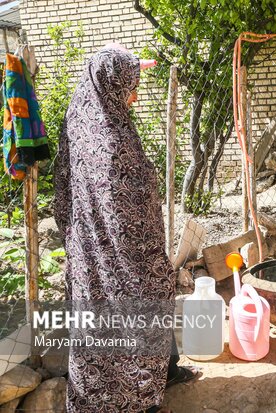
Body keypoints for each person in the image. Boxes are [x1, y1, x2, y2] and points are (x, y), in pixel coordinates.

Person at [53, 46, 194, 413]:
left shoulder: (82, 115)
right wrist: (156, 266)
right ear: (112, 84)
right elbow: (128, 210)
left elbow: (64, 184)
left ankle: (105, 399)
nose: (135, 94)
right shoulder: (113, 138)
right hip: (123, 255)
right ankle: (139, 401)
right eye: (131, 85)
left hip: (87, 251)